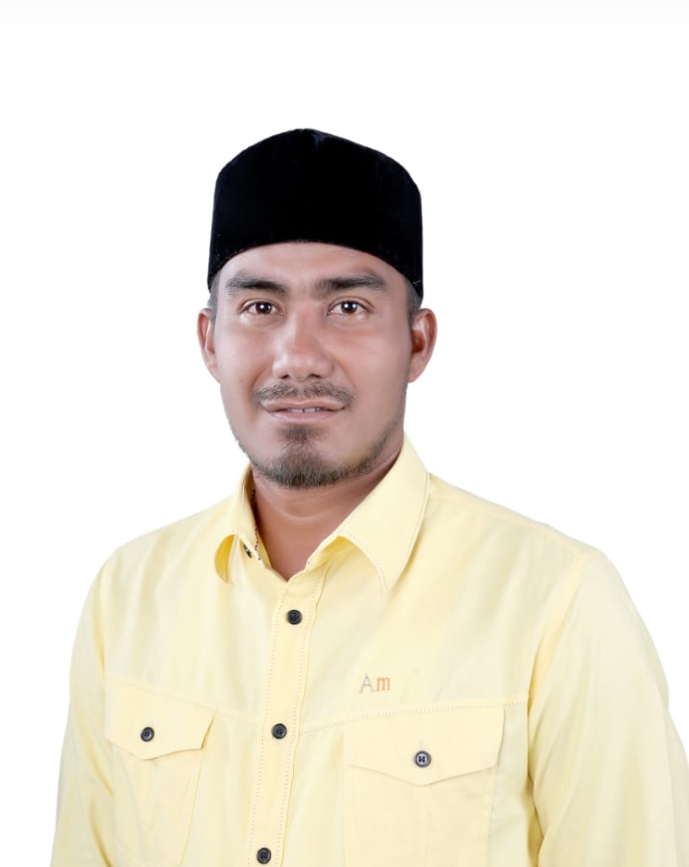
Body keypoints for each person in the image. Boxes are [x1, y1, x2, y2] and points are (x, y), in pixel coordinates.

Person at [51, 128, 689, 867]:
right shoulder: (128, 596)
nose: (298, 357)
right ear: (209, 340)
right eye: (259, 307)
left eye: (348, 307)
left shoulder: (557, 602)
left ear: (417, 343)